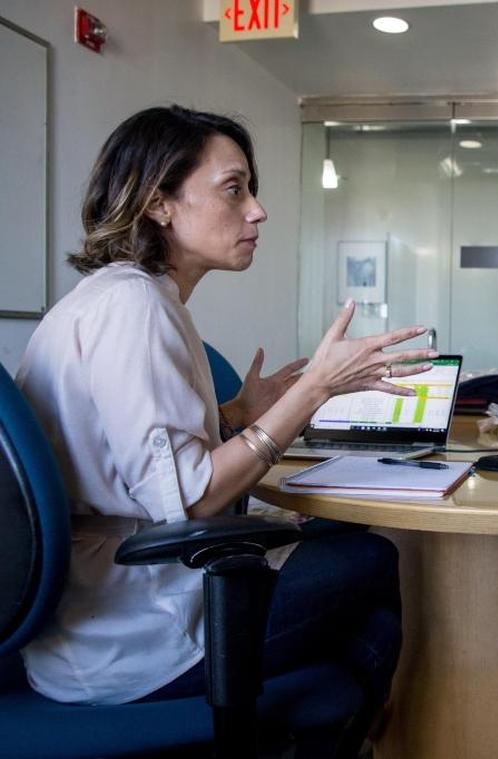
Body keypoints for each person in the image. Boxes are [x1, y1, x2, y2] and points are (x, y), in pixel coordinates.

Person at [15, 106, 436, 751]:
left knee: (351, 584)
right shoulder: (134, 306)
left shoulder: (135, 298)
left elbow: (123, 452)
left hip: (101, 602)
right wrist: (311, 392)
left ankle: (329, 731)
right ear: (159, 203)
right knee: (372, 559)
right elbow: (193, 497)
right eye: (234, 189)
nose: (258, 210)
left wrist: (241, 415)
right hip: (129, 632)